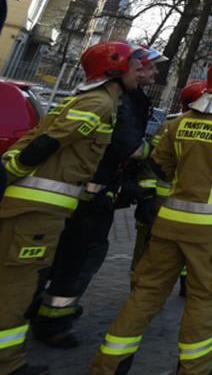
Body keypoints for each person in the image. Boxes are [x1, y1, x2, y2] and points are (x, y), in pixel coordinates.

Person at [90, 56, 212, 375]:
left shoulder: (179, 122)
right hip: (210, 235)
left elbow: (160, 167)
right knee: (204, 299)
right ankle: (195, 368)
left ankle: (110, 364)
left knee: (146, 293)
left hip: (168, 224)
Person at [0, 41, 140, 375]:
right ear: (116, 68)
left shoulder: (91, 99)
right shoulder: (99, 103)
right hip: (37, 211)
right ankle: (8, 364)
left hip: (34, 206)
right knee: (17, 287)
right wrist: (8, 174)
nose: (142, 72)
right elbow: (48, 143)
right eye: (136, 65)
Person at [31, 46, 168, 349]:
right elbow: (130, 147)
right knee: (80, 258)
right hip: (91, 197)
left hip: (83, 194)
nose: (155, 73)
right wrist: (159, 152)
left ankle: (42, 309)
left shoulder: (118, 96)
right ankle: (54, 321)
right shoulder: (118, 100)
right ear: (135, 69)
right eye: (149, 67)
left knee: (62, 255)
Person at [130, 80, 207, 295]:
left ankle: (144, 287)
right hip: (167, 202)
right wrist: (147, 195)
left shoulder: (174, 126)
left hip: (172, 201)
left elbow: (149, 164)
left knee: (164, 248)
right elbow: (151, 163)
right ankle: (140, 286)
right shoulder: (172, 126)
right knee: (156, 247)